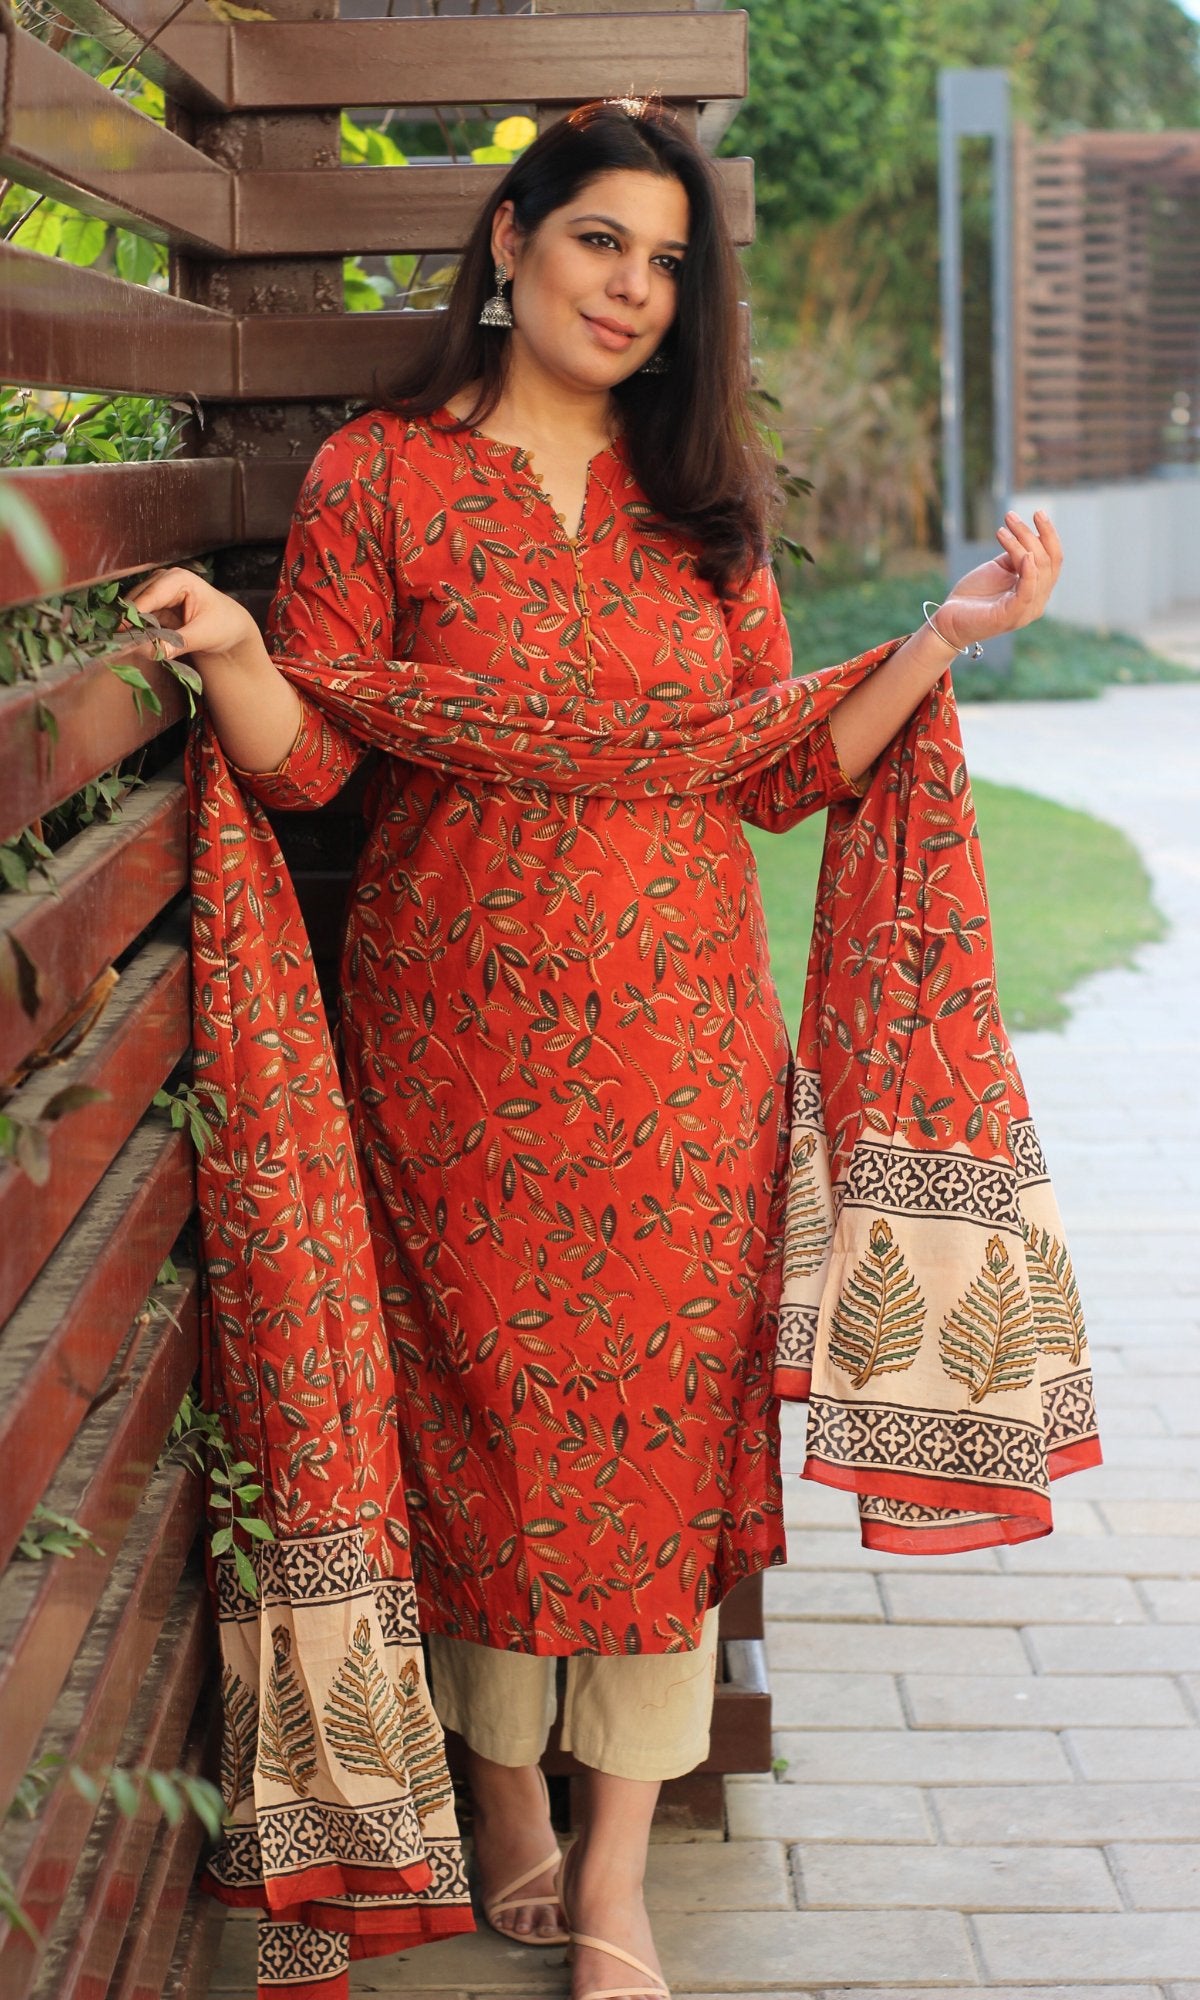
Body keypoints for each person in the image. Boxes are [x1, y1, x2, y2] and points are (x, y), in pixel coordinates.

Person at [126, 97, 1061, 2000]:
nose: (634, 288)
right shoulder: (383, 481)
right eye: (597, 245)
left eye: (665, 262)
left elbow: (785, 769)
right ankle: (509, 1808)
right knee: (471, 1438)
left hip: (681, 1065)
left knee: (650, 1459)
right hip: (445, 1062)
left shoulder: (698, 504)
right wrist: (231, 641)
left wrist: (939, 641)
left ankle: (616, 1872)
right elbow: (315, 756)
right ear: (510, 247)